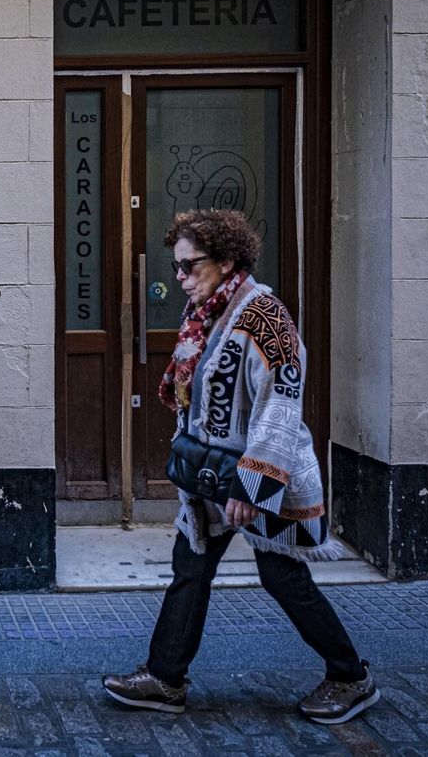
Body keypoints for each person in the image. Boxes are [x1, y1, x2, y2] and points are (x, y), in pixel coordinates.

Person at [101, 209, 379, 725]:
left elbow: (279, 407)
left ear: (227, 261)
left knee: (282, 577)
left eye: (190, 266)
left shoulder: (266, 318)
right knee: (190, 567)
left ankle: (351, 676)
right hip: (212, 478)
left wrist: (252, 488)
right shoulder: (204, 313)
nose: (180, 278)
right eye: (176, 267)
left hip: (262, 480)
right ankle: (165, 678)